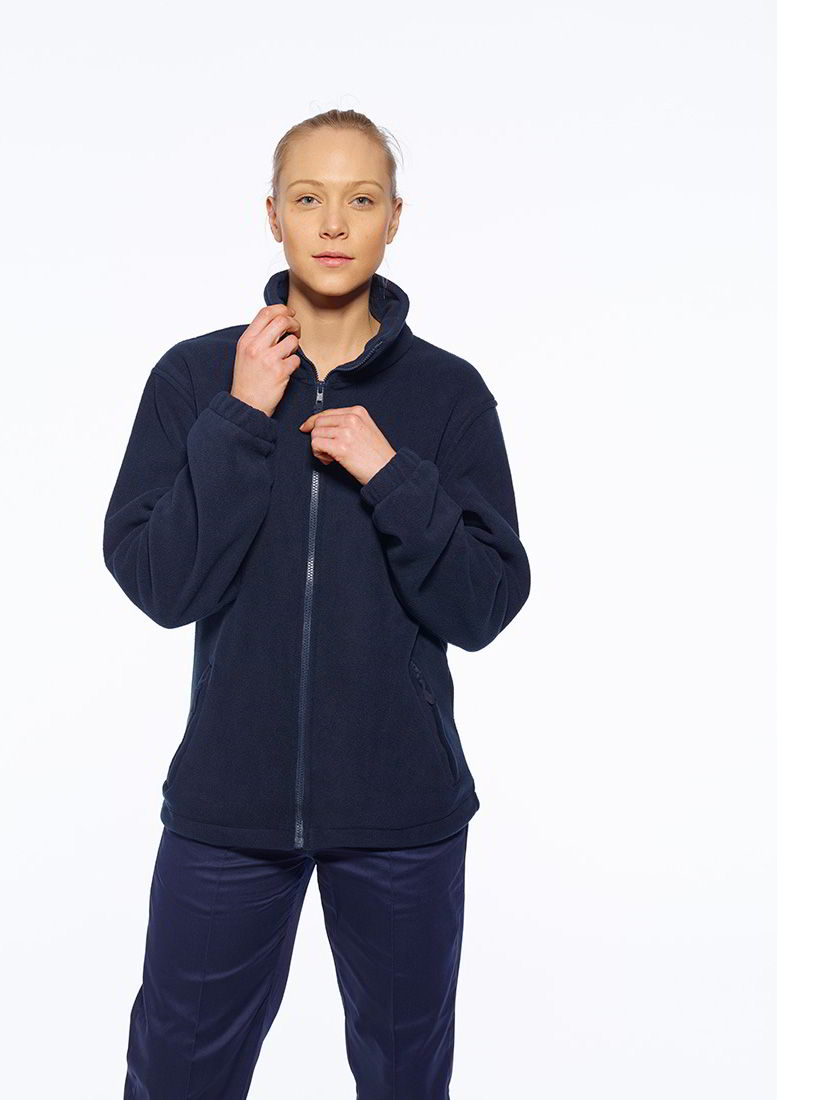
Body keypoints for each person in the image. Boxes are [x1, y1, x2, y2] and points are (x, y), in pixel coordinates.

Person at [103, 108, 531, 1099]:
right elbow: (161, 583)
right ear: (273, 216)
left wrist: (391, 472)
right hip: (227, 808)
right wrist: (239, 416)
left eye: (360, 199)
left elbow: (483, 604)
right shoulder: (195, 378)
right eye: (308, 197)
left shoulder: (447, 395)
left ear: (393, 219)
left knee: (404, 1079)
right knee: (175, 1074)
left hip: (403, 813)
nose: (333, 223)